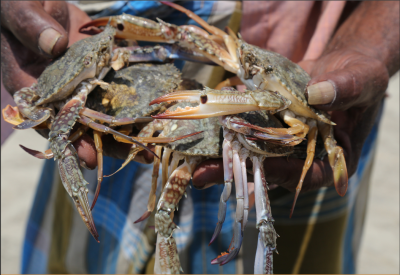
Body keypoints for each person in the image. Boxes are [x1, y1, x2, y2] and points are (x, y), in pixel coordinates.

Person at [1, 1, 398, 273]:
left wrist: (374, 41)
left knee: (265, 229)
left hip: (313, 104)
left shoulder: (293, 111)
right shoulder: (129, 65)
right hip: (126, 123)